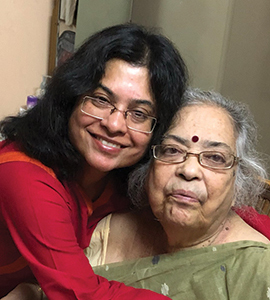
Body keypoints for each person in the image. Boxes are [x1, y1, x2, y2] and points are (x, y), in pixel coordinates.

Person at [0, 23, 188, 299]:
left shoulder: (123, 179)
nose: (114, 124)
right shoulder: (22, 173)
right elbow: (82, 294)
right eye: (100, 99)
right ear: (72, 98)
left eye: (138, 114)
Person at [87, 87, 270, 299]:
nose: (189, 170)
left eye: (215, 158)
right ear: (148, 170)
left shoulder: (256, 269)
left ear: (238, 184)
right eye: (172, 150)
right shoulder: (105, 231)